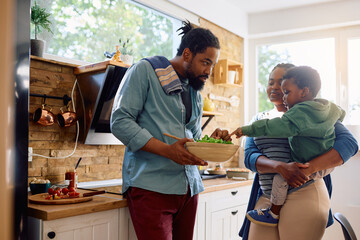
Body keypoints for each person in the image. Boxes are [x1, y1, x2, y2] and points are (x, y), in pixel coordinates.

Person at [211, 63, 358, 240]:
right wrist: (281, 167)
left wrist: (306, 169)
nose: (274, 87)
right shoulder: (259, 120)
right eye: (270, 82)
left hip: (304, 191)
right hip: (268, 196)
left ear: (301, 89)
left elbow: (349, 144)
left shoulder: (313, 115)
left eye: (280, 82)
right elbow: (250, 157)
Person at [110, 21, 220, 240]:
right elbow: (120, 121)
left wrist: (213, 142)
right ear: (187, 54)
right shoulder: (144, 70)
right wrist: (167, 151)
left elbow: (193, 138)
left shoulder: (194, 92)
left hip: (189, 189)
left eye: (212, 65)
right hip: (152, 188)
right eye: (205, 62)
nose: (209, 71)